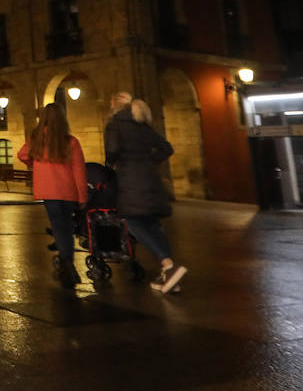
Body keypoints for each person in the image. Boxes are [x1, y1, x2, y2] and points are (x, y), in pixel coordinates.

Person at [104, 93, 185, 294]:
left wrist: (112, 164)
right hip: (150, 178)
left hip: (130, 179)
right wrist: (149, 162)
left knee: (132, 221)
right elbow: (166, 148)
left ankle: (167, 264)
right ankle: (170, 271)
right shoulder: (142, 124)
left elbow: (112, 150)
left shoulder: (114, 125)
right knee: (152, 224)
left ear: (114, 106)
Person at [19, 103, 88, 288]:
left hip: (48, 192)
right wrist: (82, 196)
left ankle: (68, 263)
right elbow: (79, 170)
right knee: (66, 227)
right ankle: (67, 260)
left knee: (59, 226)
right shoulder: (70, 141)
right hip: (68, 191)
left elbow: (22, 154)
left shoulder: (37, 139)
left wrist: (36, 164)